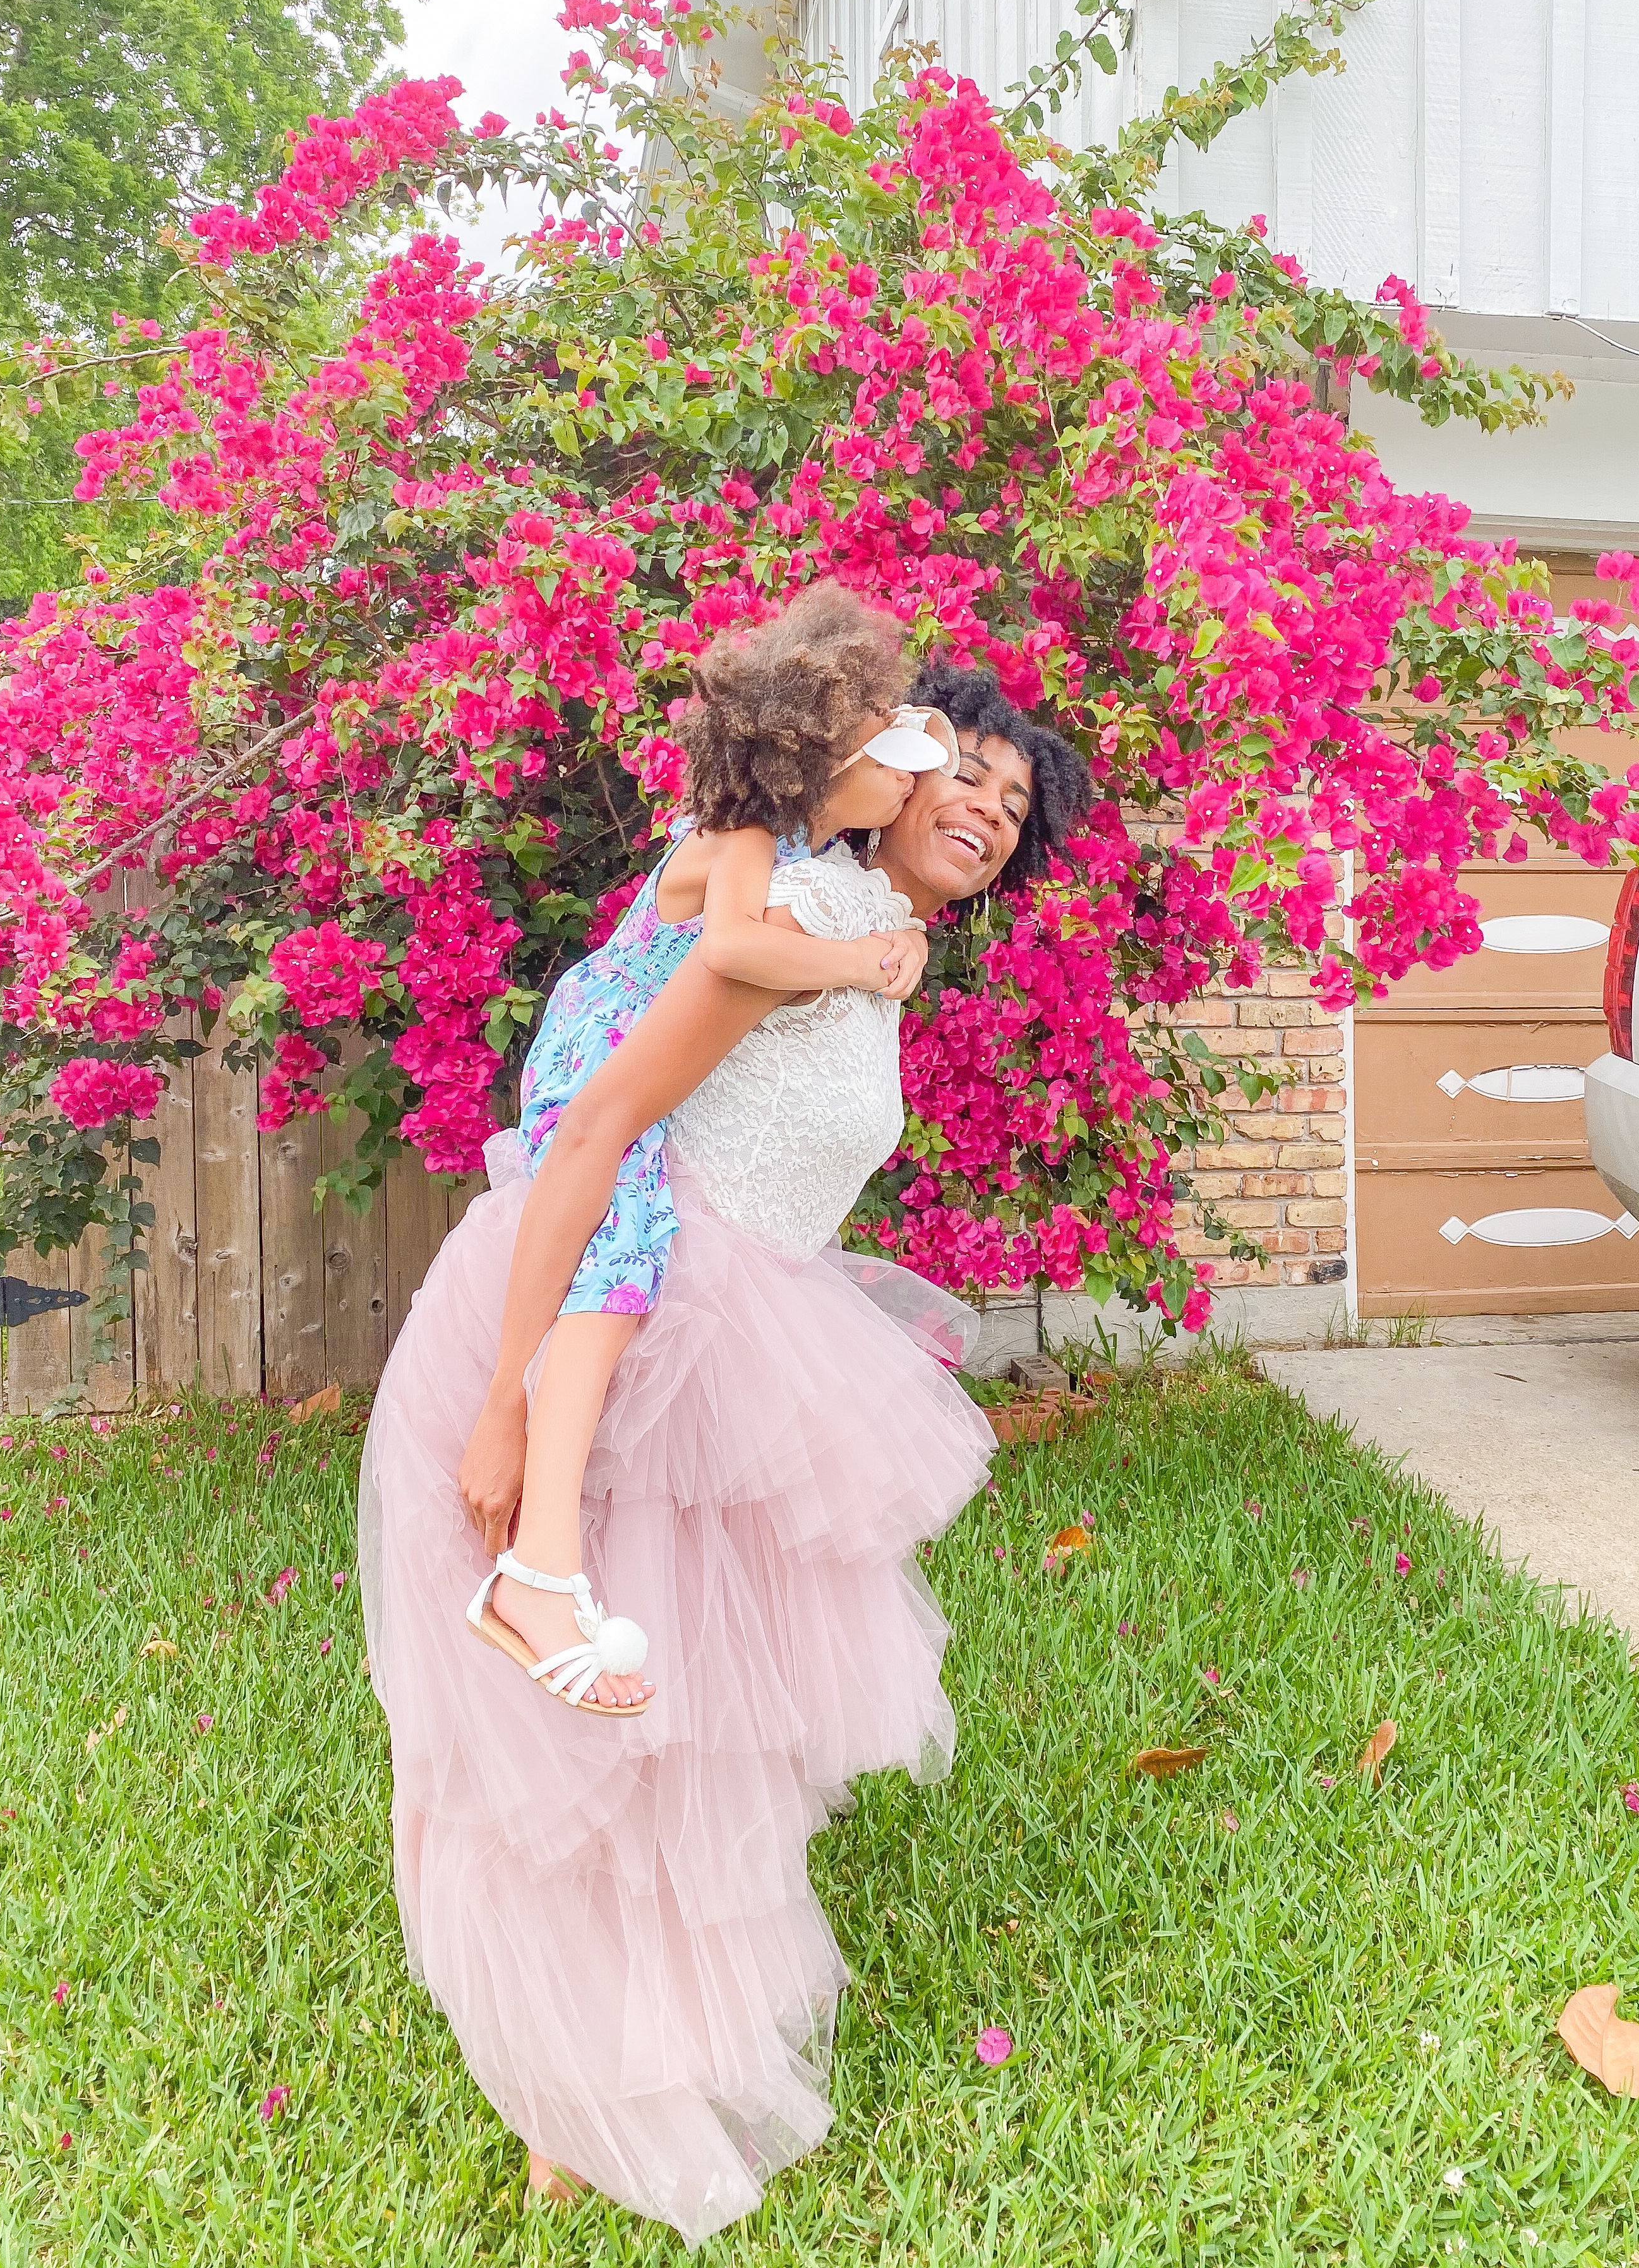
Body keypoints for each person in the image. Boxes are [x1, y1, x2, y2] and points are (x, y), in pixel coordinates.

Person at [359, 660, 1091, 2241]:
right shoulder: (793, 920)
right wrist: (501, 1397)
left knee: (697, 1748)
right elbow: (601, 1125)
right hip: (615, 1350)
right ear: (875, 777)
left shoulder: (846, 932)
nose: (978, 804)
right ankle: (570, 2084)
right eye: (955, 767)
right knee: (580, 1763)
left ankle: (658, 2050)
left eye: (1013, 804)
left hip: (730, 1367)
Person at [480, 584, 952, 1715]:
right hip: (596, 1050)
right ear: (820, 760)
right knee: (627, 1248)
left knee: (632, 1254)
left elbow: (923, 740)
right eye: (886, 758)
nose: (915, 784)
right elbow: (736, 949)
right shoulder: (746, 838)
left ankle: (543, 1569)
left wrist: (908, 731)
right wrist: (864, 957)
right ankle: (536, 1572)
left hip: (620, 1043)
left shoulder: (800, 837)